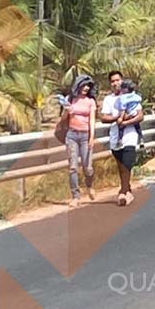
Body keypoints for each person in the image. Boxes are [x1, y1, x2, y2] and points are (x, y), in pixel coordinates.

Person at [101, 71, 144, 206]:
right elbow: (103, 117)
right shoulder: (109, 100)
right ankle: (127, 189)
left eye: (118, 80)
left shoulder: (132, 97)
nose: (115, 83)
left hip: (130, 134)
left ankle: (123, 191)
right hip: (115, 136)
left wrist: (125, 122)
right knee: (121, 165)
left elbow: (140, 116)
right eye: (113, 81)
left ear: (122, 81)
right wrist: (117, 118)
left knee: (127, 162)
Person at [61, 74, 97, 208]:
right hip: (72, 135)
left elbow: (92, 120)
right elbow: (63, 118)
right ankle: (75, 195)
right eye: (84, 85)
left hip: (85, 135)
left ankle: (89, 185)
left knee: (87, 167)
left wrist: (92, 137)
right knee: (72, 167)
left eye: (88, 86)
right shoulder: (70, 99)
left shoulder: (90, 101)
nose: (86, 88)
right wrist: (67, 111)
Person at [114, 79, 144, 149]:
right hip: (135, 112)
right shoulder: (135, 96)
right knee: (138, 127)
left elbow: (123, 109)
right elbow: (139, 101)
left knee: (121, 127)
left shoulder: (123, 98)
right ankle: (141, 139)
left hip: (129, 113)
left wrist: (121, 118)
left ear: (125, 89)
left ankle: (120, 140)